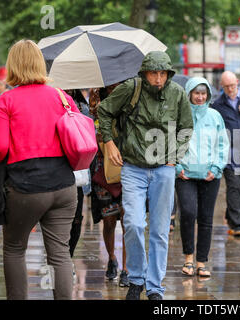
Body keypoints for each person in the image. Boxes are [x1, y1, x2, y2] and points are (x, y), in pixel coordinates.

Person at [0, 39, 79, 300]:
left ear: (12, 65)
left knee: (15, 249)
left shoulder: (6, 100)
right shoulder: (62, 96)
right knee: (59, 253)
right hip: (64, 186)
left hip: (26, 187)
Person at [98, 51, 193, 300]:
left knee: (160, 230)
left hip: (164, 168)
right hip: (133, 167)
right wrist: (109, 142)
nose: (158, 79)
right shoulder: (131, 88)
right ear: (145, 73)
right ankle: (137, 278)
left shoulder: (178, 94)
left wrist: (176, 156)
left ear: (169, 74)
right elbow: (104, 111)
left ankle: (155, 286)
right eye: (154, 73)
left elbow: (186, 127)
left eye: (163, 74)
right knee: (134, 223)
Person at [176, 77, 229, 278]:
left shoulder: (215, 116)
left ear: (208, 95)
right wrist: (177, 166)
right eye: (196, 93)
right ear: (189, 93)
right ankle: (188, 257)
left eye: (203, 93)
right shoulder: (181, 115)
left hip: (209, 175)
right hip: (185, 175)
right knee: (188, 213)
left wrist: (216, 168)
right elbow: (171, 141)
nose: (200, 97)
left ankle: (201, 262)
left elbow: (222, 144)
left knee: (206, 218)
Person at [89, 85, 129, 287]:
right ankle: (112, 259)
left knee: (128, 220)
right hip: (102, 172)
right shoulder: (96, 105)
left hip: (128, 171)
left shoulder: (130, 103)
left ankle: (127, 269)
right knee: (109, 220)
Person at [211, 71, 240, 237]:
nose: (230, 89)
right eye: (226, 87)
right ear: (222, 87)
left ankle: (231, 214)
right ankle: (236, 225)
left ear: (237, 82)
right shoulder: (218, 105)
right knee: (234, 188)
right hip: (229, 154)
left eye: (232, 85)